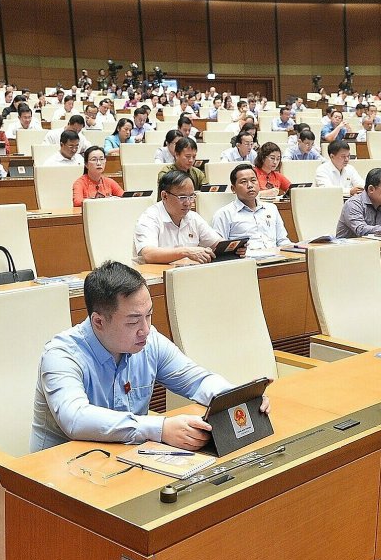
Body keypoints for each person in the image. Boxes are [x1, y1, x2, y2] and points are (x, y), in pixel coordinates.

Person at [29, 261, 268, 452]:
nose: (145, 329)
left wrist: (239, 397)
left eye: (149, 315)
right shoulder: (61, 355)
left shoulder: (148, 340)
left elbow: (196, 379)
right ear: (98, 322)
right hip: (58, 474)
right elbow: (76, 419)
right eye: (133, 321)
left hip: (125, 461)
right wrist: (160, 428)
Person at [134, 169, 221, 264]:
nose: (188, 203)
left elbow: (217, 244)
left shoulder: (193, 217)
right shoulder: (149, 218)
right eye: (182, 197)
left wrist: (236, 248)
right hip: (152, 275)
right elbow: (149, 254)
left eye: (191, 197)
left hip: (185, 273)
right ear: (164, 196)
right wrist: (186, 252)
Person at [210, 164, 292, 250]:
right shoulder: (224, 214)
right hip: (247, 261)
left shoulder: (271, 209)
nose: (250, 185)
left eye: (253, 180)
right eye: (243, 182)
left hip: (276, 259)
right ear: (233, 189)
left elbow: (282, 241)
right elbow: (220, 248)